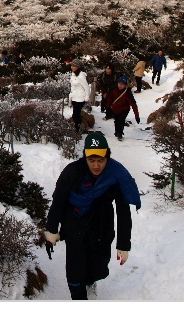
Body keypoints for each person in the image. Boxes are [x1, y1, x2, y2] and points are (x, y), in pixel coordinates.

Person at [44, 132, 141, 300]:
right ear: (85, 158)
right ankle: (79, 297)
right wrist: (52, 230)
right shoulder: (72, 173)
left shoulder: (115, 175)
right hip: (75, 227)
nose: (96, 166)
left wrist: (123, 244)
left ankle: (90, 282)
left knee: (98, 266)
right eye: (91, 161)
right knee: (75, 271)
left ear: (107, 158)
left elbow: (123, 211)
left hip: (101, 229)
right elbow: (58, 201)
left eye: (101, 160)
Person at [68, 59, 89, 135]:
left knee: (76, 115)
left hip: (80, 98)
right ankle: (78, 128)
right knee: (76, 114)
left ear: (77, 67)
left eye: (73, 66)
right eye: (71, 65)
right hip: (74, 97)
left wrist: (86, 97)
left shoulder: (81, 77)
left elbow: (87, 87)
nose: (71, 67)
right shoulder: (73, 75)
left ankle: (77, 130)